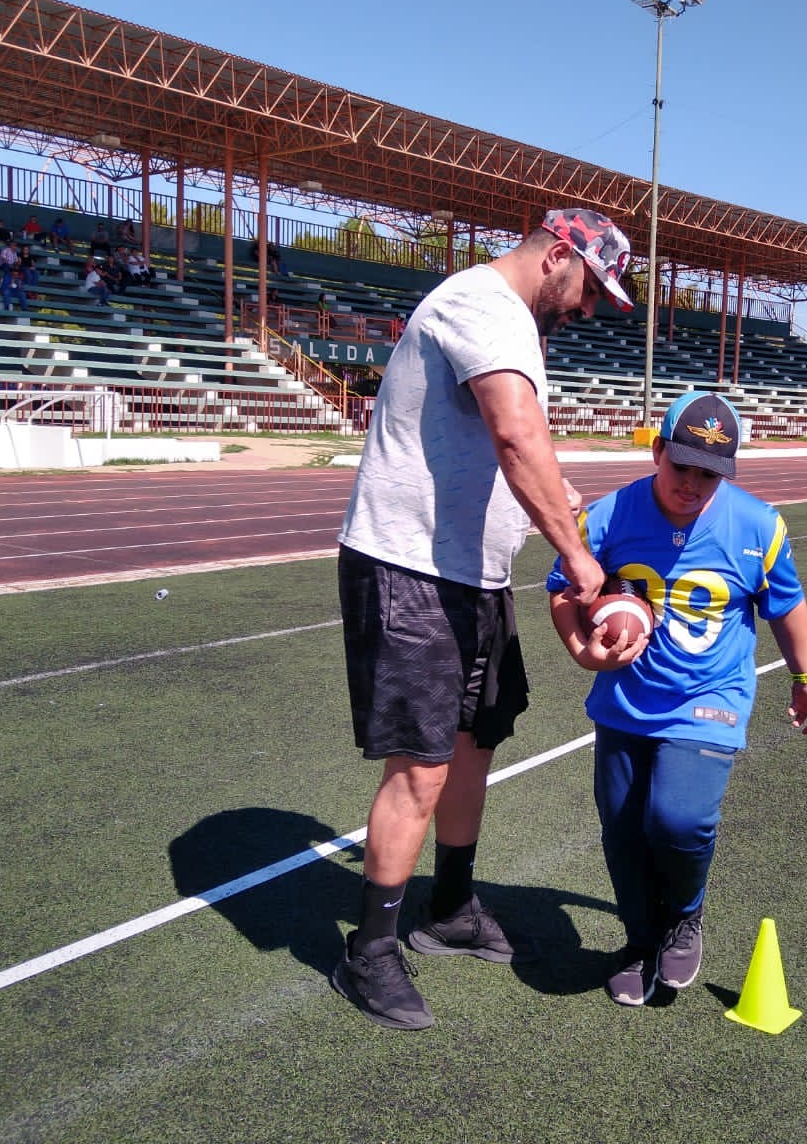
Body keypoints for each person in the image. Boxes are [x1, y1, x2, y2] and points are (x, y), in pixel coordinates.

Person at [330, 207, 634, 1030]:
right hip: (411, 567)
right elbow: (515, 436)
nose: (589, 309)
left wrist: (580, 521)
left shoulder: (512, 323)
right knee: (421, 766)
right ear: (559, 257)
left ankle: (450, 907)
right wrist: (579, 562)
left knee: (474, 744)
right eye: (592, 290)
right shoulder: (482, 305)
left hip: (473, 575)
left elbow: (522, 456)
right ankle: (370, 949)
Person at [547, 392, 807, 1007]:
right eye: (682, 468)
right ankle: (640, 942)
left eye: (710, 474)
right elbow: (562, 588)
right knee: (622, 830)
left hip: (710, 693)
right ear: (657, 454)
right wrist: (581, 650)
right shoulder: (611, 516)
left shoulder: (759, 525)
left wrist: (806, 680)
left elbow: (785, 605)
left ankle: (685, 915)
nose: (693, 485)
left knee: (677, 817)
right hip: (625, 698)